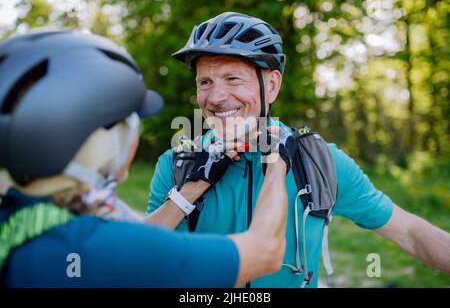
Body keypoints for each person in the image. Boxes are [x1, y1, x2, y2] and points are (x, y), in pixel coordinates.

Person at [146, 12, 450, 288]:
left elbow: (409, 232)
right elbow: (144, 259)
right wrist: (189, 190)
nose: (216, 97)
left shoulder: (318, 162)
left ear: (272, 86)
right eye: (205, 82)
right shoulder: (177, 164)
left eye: (232, 79)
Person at [0, 29, 292, 287]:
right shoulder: (105, 247)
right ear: (103, 142)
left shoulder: (18, 224)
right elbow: (265, 251)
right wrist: (277, 162)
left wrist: (192, 187)